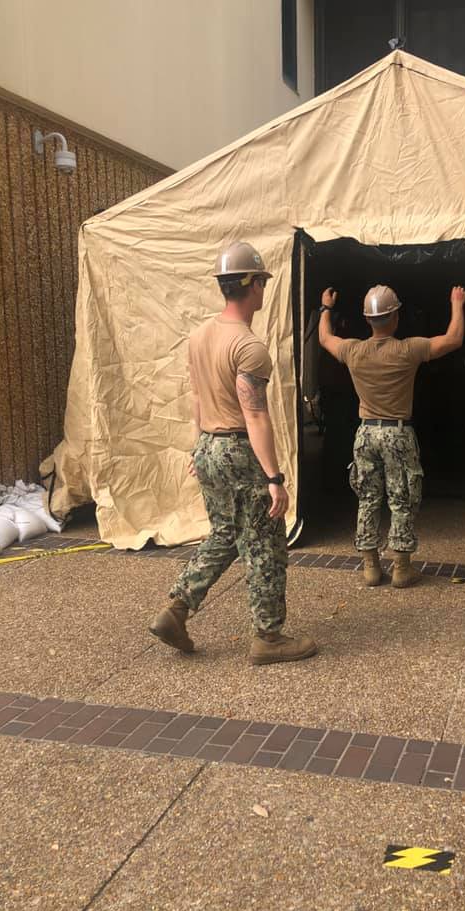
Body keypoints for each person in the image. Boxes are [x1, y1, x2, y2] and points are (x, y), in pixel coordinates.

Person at [149, 241, 317, 666]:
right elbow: (255, 416)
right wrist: (274, 478)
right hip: (238, 450)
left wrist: (198, 447)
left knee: (225, 533)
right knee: (264, 542)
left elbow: (197, 398)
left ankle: (177, 609)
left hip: (208, 446)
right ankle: (269, 637)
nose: (264, 289)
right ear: (254, 285)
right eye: (262, 281)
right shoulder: (248, 346)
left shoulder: (200, 336)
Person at [318, 282, 465, 587]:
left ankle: (371, 565)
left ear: (367, 320)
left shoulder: (352, 350)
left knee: (368, 498)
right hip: (397, 434)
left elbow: (324, 338)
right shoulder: (408, 350)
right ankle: (401, 567)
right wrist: (457, 303)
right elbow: (454, 339)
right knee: (402, 499)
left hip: (365, 434)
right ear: (395, 317)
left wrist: (325, 308)